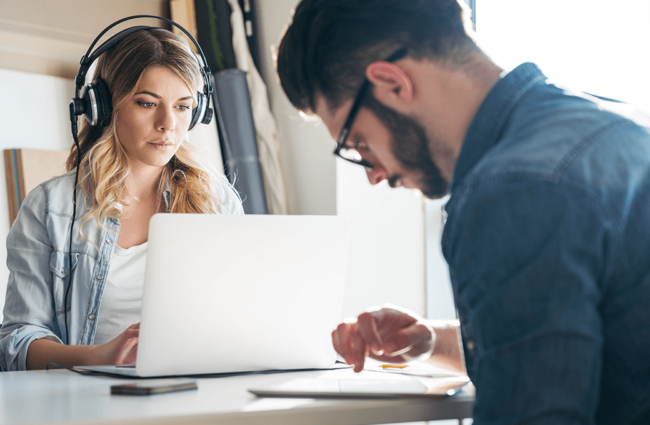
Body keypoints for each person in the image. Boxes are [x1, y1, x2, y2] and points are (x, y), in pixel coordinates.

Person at [276, 0, 650, 423]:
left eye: (359, 142)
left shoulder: (510, 191)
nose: (374, 174)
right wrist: (433, 341)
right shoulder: (613, 124)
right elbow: (594, 344)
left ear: (393, 83)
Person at [0, 28, 243, 372]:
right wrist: (98, 356)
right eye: (147, 103)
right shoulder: (50, 208)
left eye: (183, 106)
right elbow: (16, 342)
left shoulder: (218, 203)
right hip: (89, 404)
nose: (168, 124)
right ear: (102, 106)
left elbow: (242, 318)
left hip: (197, 393)